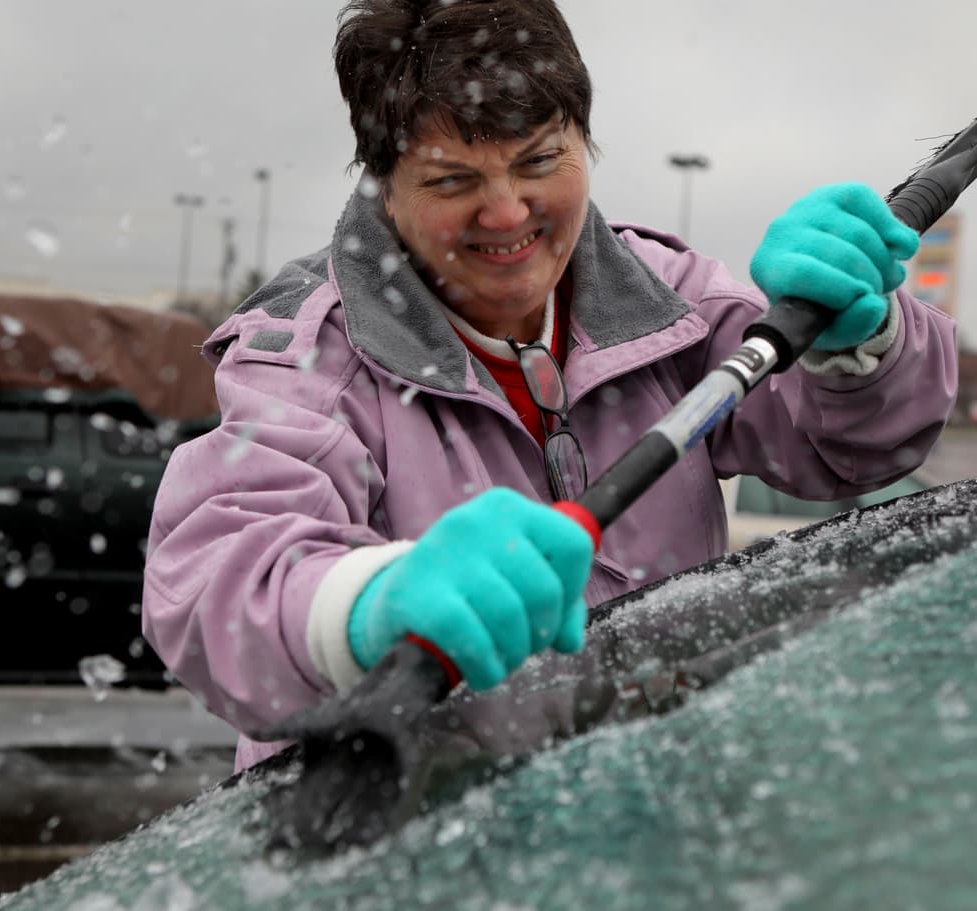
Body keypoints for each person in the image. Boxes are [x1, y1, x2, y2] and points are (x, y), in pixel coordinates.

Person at [142, 0, 958, 772]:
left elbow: (846, 450)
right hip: (403, 846)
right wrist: (365, 606)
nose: (507, 214)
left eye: (539, 161)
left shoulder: (672, 302)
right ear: (382, 186)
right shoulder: (307, 358)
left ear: (586, 145)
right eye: (453, 181)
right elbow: (215, 578)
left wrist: (862, 343)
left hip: (638, 823)